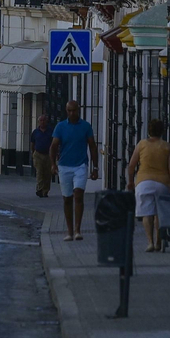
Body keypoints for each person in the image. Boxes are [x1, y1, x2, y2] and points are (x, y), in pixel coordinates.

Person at [49, 100, 99, 242]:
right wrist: (53, 164)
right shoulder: (60, 127)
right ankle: (69, 231)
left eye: (74, 111)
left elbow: (93, 147)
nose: (72, 113)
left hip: (80, 166)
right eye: (69, 111)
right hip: (64, 166)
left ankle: (78, 229)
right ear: (66, 111)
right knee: (67, 198)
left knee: (78, 194)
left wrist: (95, 167)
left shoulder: (85, 126)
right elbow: (53, 146)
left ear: (78, 110)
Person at [126, 118, 170, 252]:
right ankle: (159, 241)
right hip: (162, 183)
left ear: (149, 130)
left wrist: (131, 181)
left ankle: (150, 242)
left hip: (144, 182)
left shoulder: (141, 144)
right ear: (162, 131)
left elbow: (131, 165)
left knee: (146, 213)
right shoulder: (166, 146)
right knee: (159, 213)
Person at [30, 113, 54, 197]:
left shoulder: (51, 131)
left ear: (46, 121)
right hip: (38, 154)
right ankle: (39, 189)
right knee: (39, 172)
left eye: (44, 120)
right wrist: (33, 153)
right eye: (41, 120)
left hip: (48, 154)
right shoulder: (35, 132)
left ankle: (45, 191)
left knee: (47, 174)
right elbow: (32, 143)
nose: (42, 122)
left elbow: (54, 143)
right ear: (38, 122)